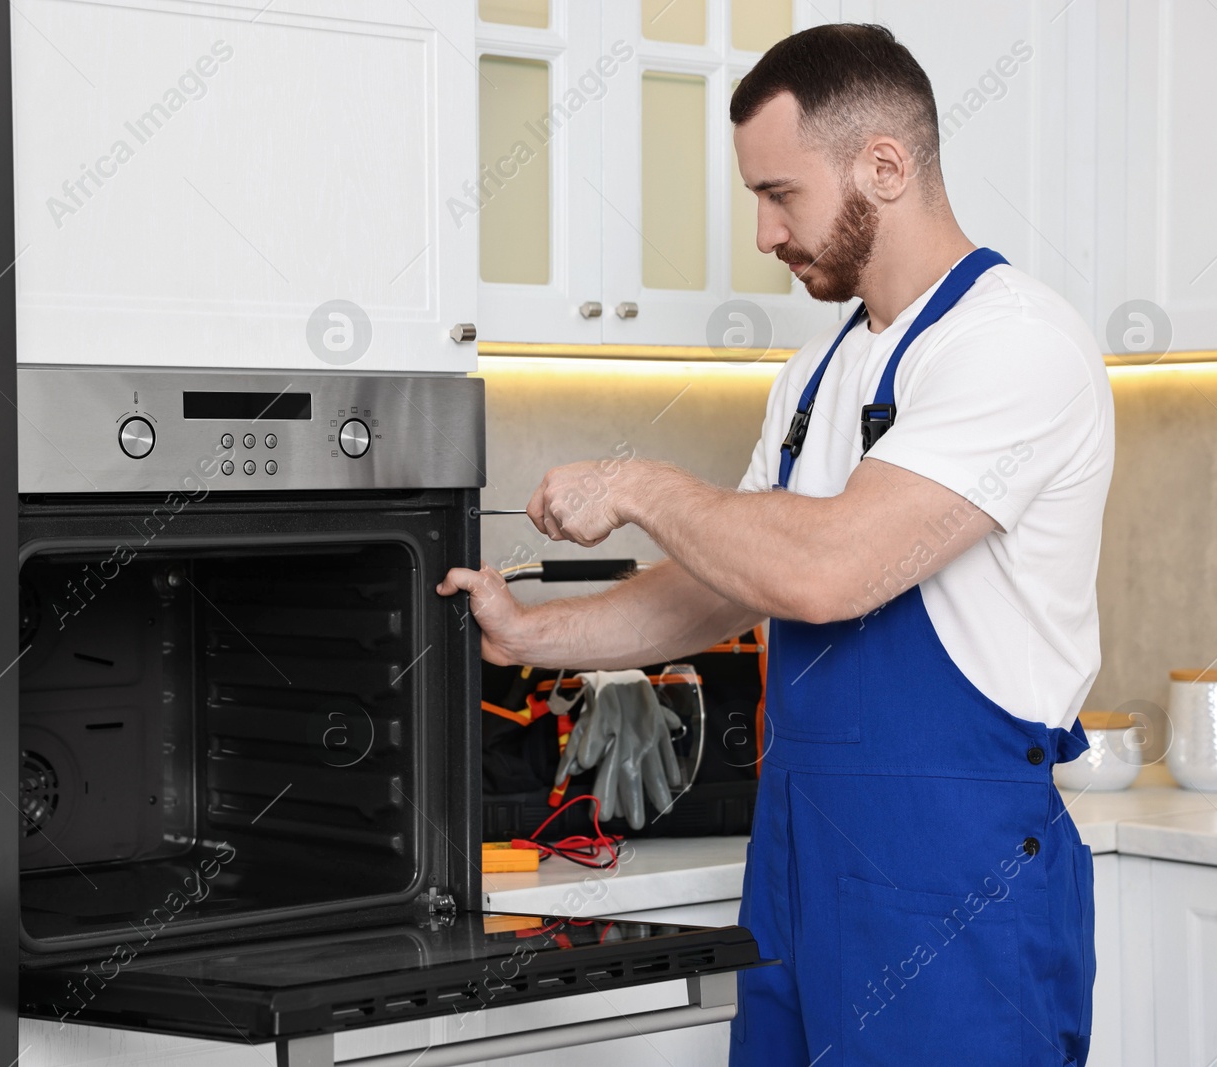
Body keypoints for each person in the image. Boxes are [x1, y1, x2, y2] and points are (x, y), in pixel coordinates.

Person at [437, 22, 1112, 1066]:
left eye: (779, 194)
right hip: (798, 862)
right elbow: (720, 589)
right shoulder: (811, 378)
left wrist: (635, 484)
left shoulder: (1014, 343)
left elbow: (828, 568)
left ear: (883, 165)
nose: (761, 233)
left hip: (954, 883)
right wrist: (530, 635)